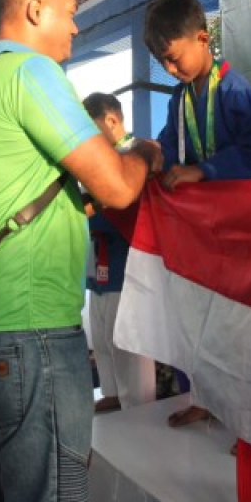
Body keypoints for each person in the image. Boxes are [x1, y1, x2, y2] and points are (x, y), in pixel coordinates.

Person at [0, 0, 162, 502]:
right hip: (32, 328)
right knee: (56, 501)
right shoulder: (32, 74)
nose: (74, 29)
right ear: (35, 9)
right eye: (69, 14)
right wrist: (144, 154)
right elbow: (116, 186)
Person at [144, 0, 251, 427]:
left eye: (173, 58)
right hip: (202, 232)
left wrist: (203, 172)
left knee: (237, 325)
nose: (169, 69)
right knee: (200, 320)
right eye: (160, 62)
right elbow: (168, 144)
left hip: (239, 228)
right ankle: (206, 396)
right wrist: (154, 160)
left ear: (203, 38)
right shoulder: (178, 99)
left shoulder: (234, 88)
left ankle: (248, 419)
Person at [82, 92, 156, 414]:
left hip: (127, 265)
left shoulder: (138, 155)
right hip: (98, 265)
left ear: (112, 120)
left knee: (129, 342)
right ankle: (112, 392)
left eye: (92, 128)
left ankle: (138, 404)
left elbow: (134, 209)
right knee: (102, 339)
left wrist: (92, 210)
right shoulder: (98, 160)